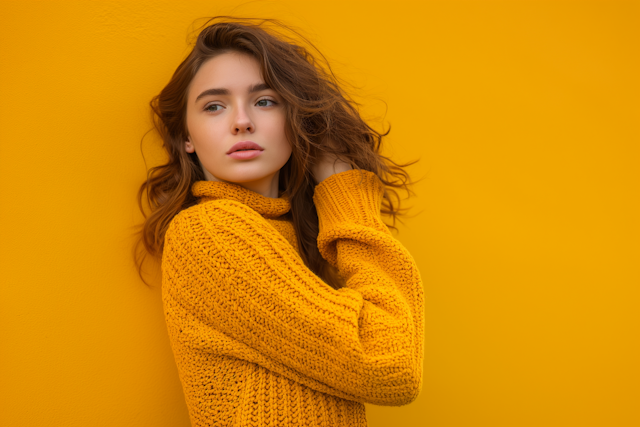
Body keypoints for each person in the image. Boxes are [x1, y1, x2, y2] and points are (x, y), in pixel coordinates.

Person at [135, 16, 425, 427]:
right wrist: (345, 193)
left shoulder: (301, 241)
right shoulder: (209, 233)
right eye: (214, 106)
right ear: (187, 137)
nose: (241, 121)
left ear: (296, 120)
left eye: (265, 100)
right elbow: (389, 364)